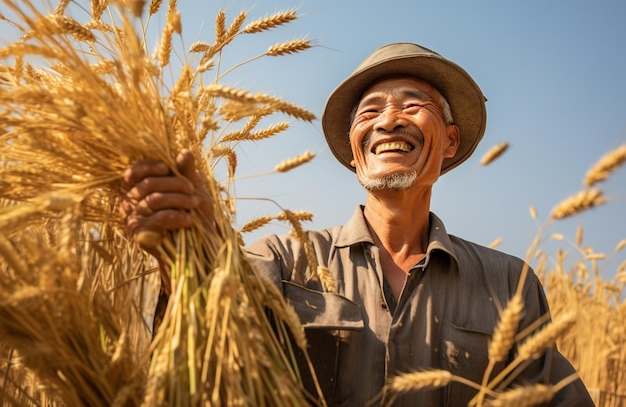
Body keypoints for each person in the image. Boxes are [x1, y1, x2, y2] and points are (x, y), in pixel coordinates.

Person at [121, 43, 594, 406]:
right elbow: (208, 364)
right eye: (370, 112)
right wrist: (185, 257)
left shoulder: (509, 284)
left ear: (450, 140)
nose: (389, 120)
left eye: (413, 105)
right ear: (353, 150)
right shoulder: (279, 260)